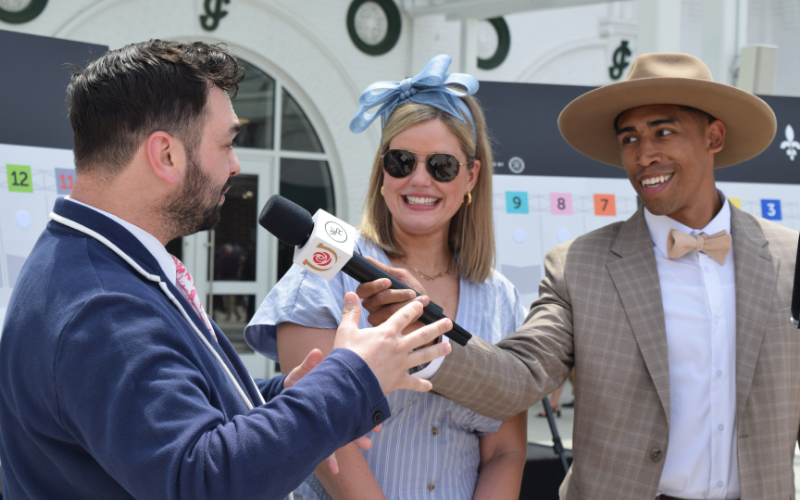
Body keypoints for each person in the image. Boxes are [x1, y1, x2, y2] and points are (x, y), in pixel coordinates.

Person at [0, 40, 452, 500]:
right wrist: (353, 379)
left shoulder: (93, 263)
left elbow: (166, 412)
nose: (236, 165)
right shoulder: (102, 308)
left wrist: (288, 397)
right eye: (227, 143)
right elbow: (202, 480)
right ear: (166, 155)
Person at [358, 52, 800, 499]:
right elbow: (519, 376)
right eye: (630, 138)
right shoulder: (579, 266)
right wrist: (424, 336)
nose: (645, 154)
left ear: (714, 136)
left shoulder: (791, 257)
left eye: (664, 132)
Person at [244, 55, 528, 500]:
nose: (419, 180)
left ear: (471, 176)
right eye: (401, 161)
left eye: (442, 166)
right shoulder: (329, 269)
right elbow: (317, 431)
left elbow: (505, 451)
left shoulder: (501, 297)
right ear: (382, 171)